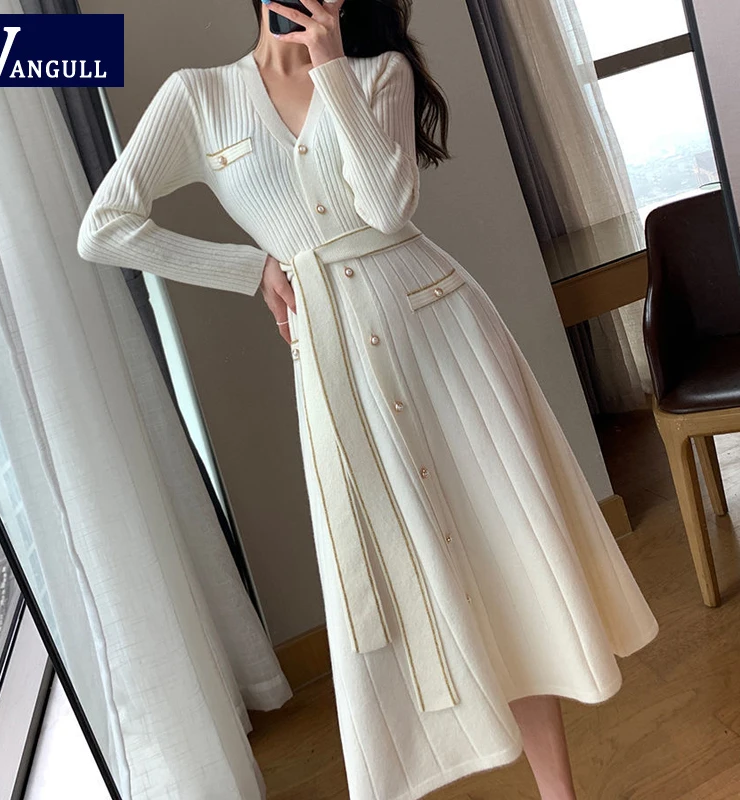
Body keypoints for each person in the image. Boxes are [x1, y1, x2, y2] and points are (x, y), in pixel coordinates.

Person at [76, 1, 660, 798]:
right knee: (402, 564)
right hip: (335, 359)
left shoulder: (379, 72)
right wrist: (248, 269)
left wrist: (331, 70)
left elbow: (387, 209)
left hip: (442, 336)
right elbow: (104, 227)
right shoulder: (198, 96)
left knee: (503, 550)